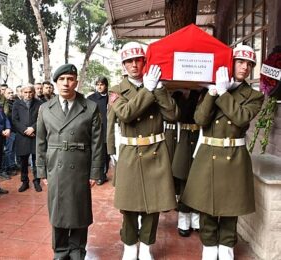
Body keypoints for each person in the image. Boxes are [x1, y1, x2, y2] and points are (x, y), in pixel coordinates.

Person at [181, 45, 264, 260]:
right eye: (240, 62)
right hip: (208, 152)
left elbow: (241, 118)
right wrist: (212, 92)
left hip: (234, 155)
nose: (245, 67)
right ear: (230, 62)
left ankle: (226, 247)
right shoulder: (211, 88)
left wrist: (224, 93)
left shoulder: (254, 95)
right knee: (206, 204)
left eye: (249, 64)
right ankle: (209, 246)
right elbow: (200, 119)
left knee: (231, 205)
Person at [108, 42, 178, 260]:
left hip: (156, 150)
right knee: (129, 205)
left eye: (138, 60)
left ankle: (146, 245)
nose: (134, 65)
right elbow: (126, 114)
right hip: (130, 151)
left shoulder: (158, 86)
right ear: (123, 65)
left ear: (145, 62)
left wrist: (157, 89)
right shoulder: (116, 90)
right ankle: (130, 244)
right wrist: (148, 90)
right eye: (129, 61)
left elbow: (173, 115)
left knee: (153, 204)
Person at [36, 64, 104, 259]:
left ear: (76, 82)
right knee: (58, 210)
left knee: (79, 210)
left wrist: (95, 172)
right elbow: (40, 142)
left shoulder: (90, 107)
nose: (66, 83)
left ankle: (77, 251)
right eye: (61, 79)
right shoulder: (45, 108)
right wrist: (41, 171)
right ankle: (60, 250)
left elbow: (97, 143)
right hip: (55, 165)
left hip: (80, 166)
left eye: (70, 79)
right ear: (56, 83)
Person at [170, 89, 202, 237]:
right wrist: (187, 94)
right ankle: (184, 220)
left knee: (199, 184)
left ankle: (196, 219)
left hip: (201, 139)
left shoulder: (208, 93)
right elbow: (183, 115)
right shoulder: (177, 95)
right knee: (184, 183)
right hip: (184, 139)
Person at [13, 85, 43, 192]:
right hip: (22, 136)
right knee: (23, 161)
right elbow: (15, 120)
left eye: (30, 92)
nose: (28, 94)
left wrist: (33, 128)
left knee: (36, 160)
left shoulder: (40, 104)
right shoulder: (17, 104)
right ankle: (24, 181)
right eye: (25, 92)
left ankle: (36, 181)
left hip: (35, 136)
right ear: (21, 93)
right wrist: (25, 130)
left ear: (33, 92)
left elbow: (41, 119)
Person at [88, 76, 110, 185]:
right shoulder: (91, 98)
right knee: (97, 153)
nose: (99, 86)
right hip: (96, 130)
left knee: (106, 153)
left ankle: (103, 174)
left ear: (106, 85)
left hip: (108, 129)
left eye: (102, 84)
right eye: (98, 84)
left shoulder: (111, 97)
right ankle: (98, 175)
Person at [1, 87, 18, 178]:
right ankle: (7, 168)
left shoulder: (14, 103)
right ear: (4, 94)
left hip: (14, 130)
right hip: (8, 130)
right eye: (8, 93)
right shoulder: (3, 104)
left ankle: (11, 166)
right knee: (8, 150)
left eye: (12, 92)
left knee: (13, 150)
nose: (11, 94)